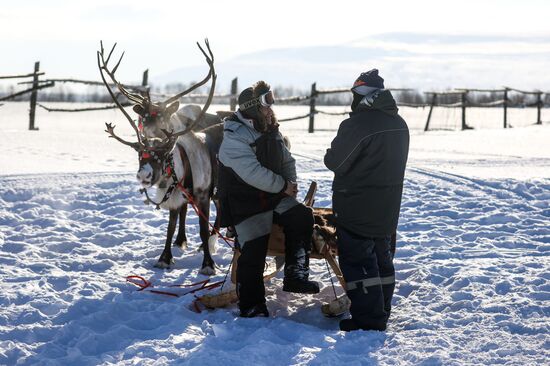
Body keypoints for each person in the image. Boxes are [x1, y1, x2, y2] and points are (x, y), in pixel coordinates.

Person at [217, 81, 320, 318]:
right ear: (253, 107)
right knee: (254, 248)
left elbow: (287, 161)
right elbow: (253, 173)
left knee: (301, 215)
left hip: (272, 196)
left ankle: (296, 275)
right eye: (266, 104)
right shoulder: (234, 138)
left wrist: (290, 186)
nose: (270, 109)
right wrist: (283, 186)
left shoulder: (269, 130)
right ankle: (252, 305)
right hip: (245, 202)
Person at [324, 69, 409, 331]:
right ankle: (382, 309)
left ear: (361, 96)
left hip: (357, 205)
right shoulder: (399, 123)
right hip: (387, 206)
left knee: (359, 263)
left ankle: (368, 319)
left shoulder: (358, 125)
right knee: (382, 259)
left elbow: (334, 160)